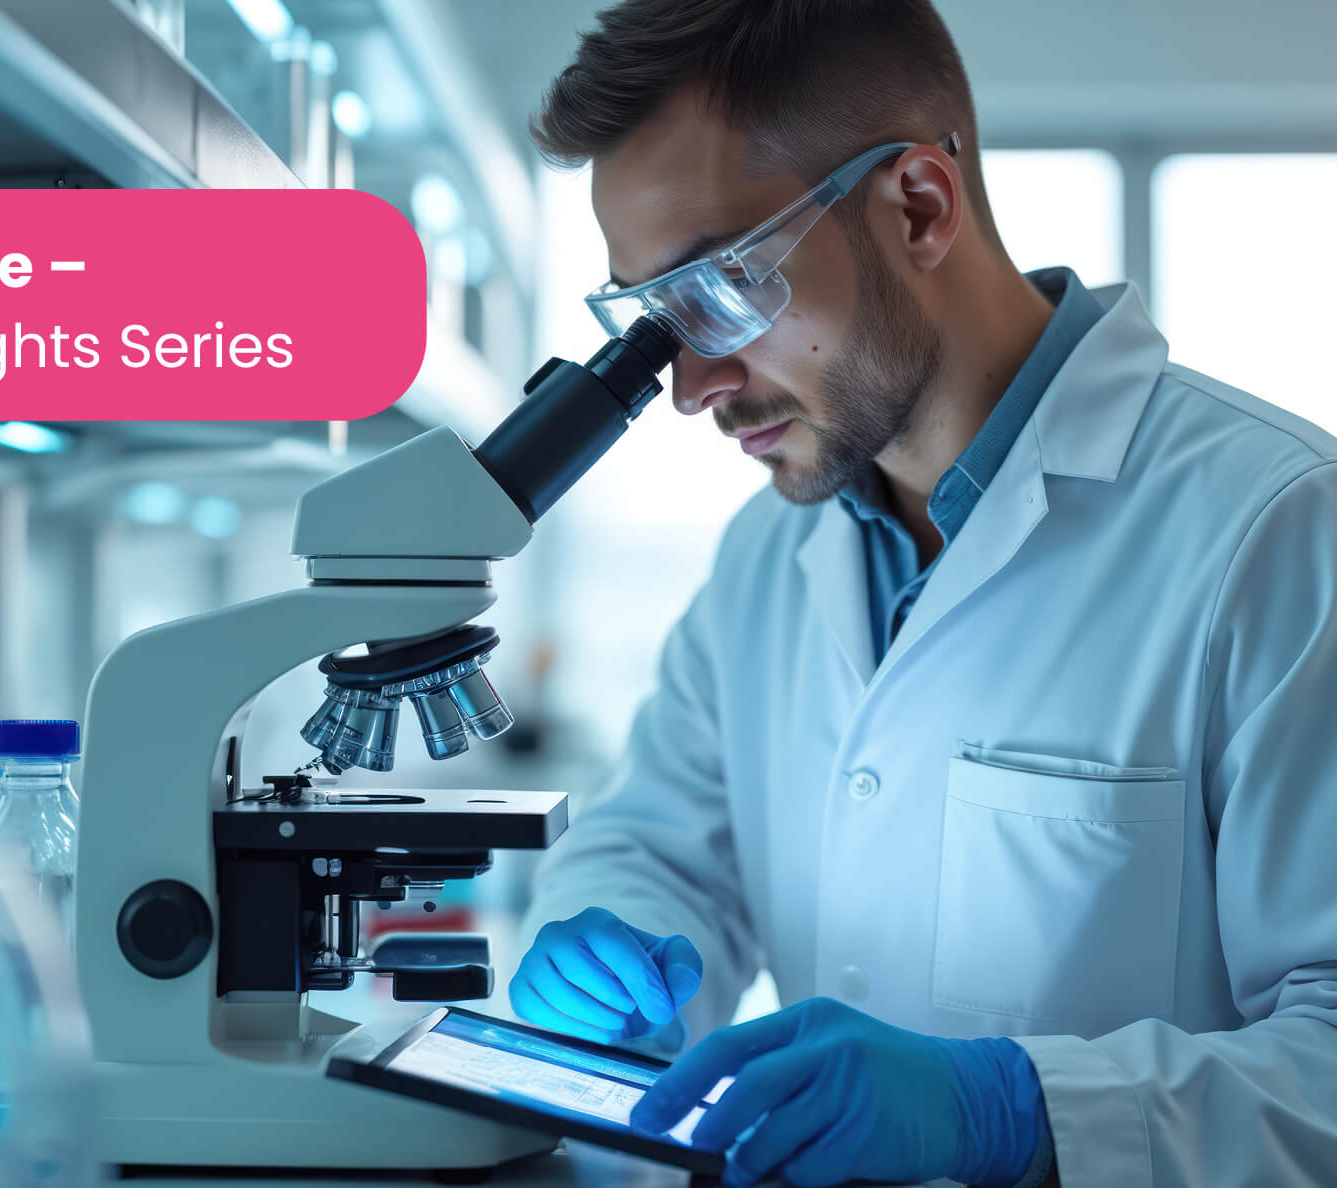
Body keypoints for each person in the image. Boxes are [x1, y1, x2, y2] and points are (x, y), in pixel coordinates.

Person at [508, 2, 1337, 1186]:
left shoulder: (1281, 529)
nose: (690, 384)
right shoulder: (767, 557)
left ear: (917, 206)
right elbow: (667, 849)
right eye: (653, 320)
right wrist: (615, 948)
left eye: (721, 291)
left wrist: (1017, 1111)